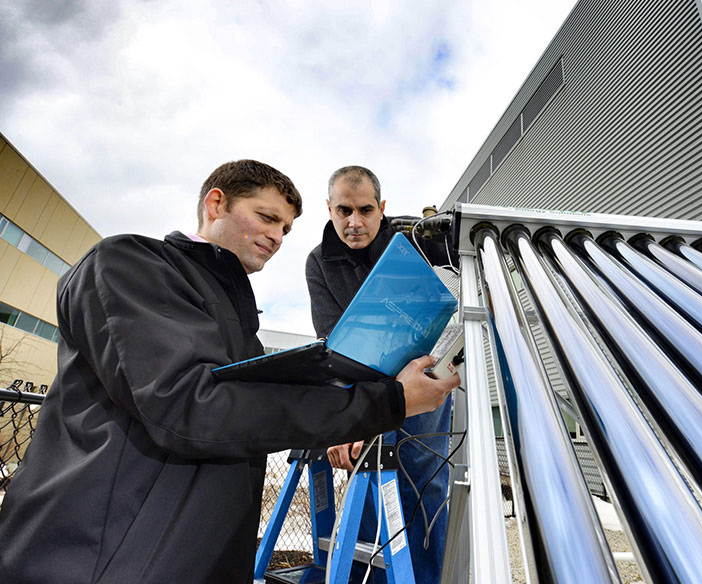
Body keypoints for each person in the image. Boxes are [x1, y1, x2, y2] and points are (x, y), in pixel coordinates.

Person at [0, 160, 459, 584]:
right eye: (266, 217)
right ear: (216, 203)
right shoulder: (129, 262)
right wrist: (385, 403)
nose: (278, 236)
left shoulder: (241, 324)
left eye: (285, 227)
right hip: (100, 556)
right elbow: (192, 406)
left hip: (194, 555)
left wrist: (356, 410)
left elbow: (258, 412)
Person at [306, 165, 454, 584]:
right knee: (365, 484)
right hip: (364, 385)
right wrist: (345, 418)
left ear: (382, 208)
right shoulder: (319, 262)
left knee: (425, 486)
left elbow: (459, 284)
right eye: (344, 211)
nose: (355, 223)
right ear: (329, 209)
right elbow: (332, 342)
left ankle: (422, 579)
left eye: (366, 210)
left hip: (422, 382)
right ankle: (367, 578)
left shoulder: (416, 246)